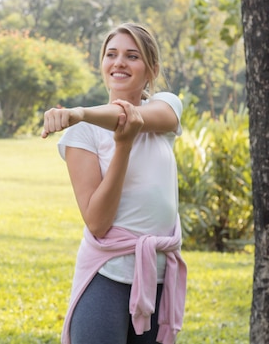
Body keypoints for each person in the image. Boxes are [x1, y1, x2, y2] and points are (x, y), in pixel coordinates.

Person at [41, 23, 187, 344]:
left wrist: (78, 112)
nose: (119, 62)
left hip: (157, 278)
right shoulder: (82, 133)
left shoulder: (165, 107)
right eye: (112, 54)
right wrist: (122, 147)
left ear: (152, 69)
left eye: (132, 56)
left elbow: (132, 118)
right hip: (107, 276)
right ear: (102, 64)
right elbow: (98, 221)